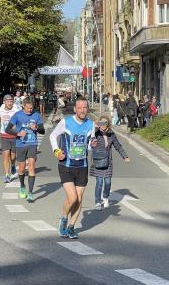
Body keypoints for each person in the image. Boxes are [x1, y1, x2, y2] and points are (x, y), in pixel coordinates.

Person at [50, 96, 95, 239]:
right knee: (72, 197)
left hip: (82, 165)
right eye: (80, 108)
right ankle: (64, 219)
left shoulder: (91, 125)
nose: (82, 110)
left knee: (79, 199)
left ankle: (71, 226)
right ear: (75, 109)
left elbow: (88, 146)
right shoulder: (66, 122)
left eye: (85, 107)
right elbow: (53, 136)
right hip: (66, 165)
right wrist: (57, 151)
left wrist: (92, 145)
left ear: (87, 109)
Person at [5, 98, 45, 202]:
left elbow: (43, 131)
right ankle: (22, 186)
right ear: (23, 106)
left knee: (31, 167)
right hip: (20, 144)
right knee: (22, 169)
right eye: (28, 108)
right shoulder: (18, 115)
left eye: (31, 108)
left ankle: (31, 193)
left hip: (32, 144)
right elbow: (7, 129)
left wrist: (36, 127)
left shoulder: (36, 115)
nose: (30, 110)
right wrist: (17, 133)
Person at [90, 115, 130, 210]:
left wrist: (125, 156)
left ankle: (105, 197)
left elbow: (118, 146)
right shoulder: (95, 133)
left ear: (108, 124)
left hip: (108, 162)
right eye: (101, 123)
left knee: (107, 182)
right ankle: (98, 201)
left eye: (105, 123)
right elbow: (89, 139)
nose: (103, 125)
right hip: (98, 161)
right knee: (99, 182)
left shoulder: (111, 134)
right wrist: (94, 127)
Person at [0, 94, 20, 183]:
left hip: (14, 136)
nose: (10, 103)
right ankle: (7, 175)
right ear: (4, 102)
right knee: (5, 155)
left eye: (11, 101)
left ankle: (13, 165)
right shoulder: (0, 109)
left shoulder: (16, 110)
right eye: (8, 101)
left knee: (13, 156)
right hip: (4, 135)